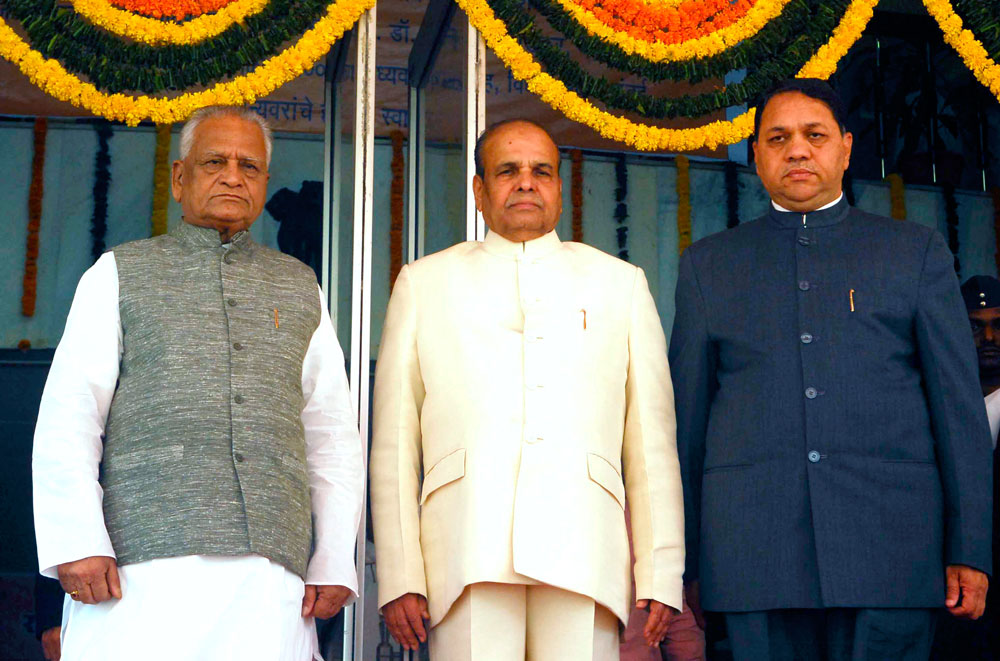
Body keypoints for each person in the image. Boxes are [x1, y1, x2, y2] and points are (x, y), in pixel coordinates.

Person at [669, 79, 993, 661]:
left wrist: (970, 547)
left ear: (844, 148)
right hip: (754, 556)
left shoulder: (913, 252)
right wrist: (685, 563)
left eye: (813, 135)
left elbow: (959, 413)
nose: (797, 150)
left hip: (891, 551)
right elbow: (686, 428)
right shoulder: (708, 267)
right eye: (778, 138)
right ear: (757, 156)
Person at [32, 106, 365, 661]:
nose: (233, 176)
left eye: (250, 166)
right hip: (138, 571)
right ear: (179, 178)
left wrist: (332, 556)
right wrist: (77, 541)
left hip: (269, 578)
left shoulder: (300, 285)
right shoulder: (119, 272)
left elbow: (330, 436)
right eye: (215, 162)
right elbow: (70, 415)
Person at [370, 119, 685, 661]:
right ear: (479, 189)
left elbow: (651, 445)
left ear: (560, 189)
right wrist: (400, 572)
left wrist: (661, 570)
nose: (525, 183)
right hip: (466, 547)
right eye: (507, 171)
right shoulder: (423, 283)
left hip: (583, 546)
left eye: (541, 171)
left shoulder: (619, 284)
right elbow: (394, 443)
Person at [930, 275, 1000, 659]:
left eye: (998, 325)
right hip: (952, 606)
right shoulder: (927, 410)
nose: (988, 339)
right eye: (975, 326)